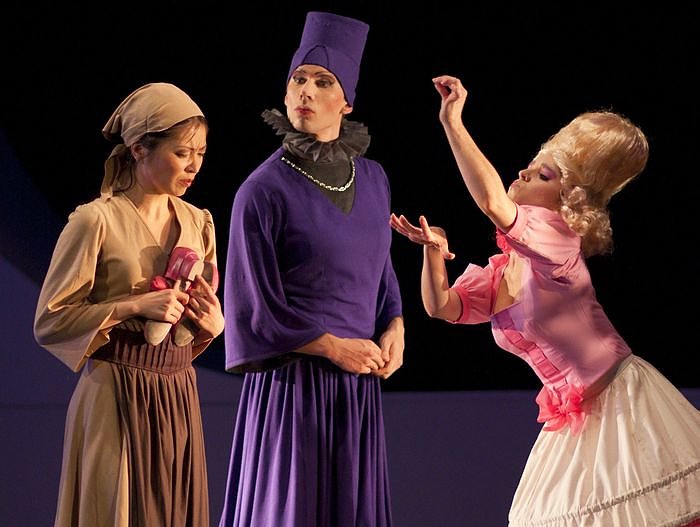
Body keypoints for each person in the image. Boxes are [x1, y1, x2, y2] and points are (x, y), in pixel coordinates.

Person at [391, 74, 700, 526]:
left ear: (566, 201)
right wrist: (433, 250)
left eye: (543, 175)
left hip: (621, 402)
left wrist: (452, 122)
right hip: (576, 418)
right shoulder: (505, 268)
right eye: (531, 167)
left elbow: (492, 202)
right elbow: (443, 307)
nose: (523, 173)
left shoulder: (558, 240)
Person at [219, 11, 404, 527]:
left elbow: (379, 265)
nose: (306, 91)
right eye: (298, 79)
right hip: (294, 386)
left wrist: (395, 323)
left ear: (347, 102)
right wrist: (330, 347)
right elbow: (254, 305)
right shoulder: (262, 190)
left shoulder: (373, 178)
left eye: (323, 82)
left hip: (356, 386)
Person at [34, 82, 224, 526]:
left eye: (200, 153)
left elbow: (196, 316)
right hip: (115, 392)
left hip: (177, 395)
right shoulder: (94, 221)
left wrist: (214, 324)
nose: (194, 165)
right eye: (182, 152)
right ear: (139, 149)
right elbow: (50, 321)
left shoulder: (199, 222)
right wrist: (133, 306)